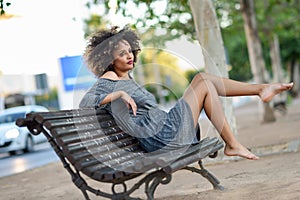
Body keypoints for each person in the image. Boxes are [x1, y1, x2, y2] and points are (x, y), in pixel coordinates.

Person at [79, 25, 293, 160]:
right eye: (121, 53)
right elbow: (86, 103)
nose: (129, 56)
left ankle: (236, 138)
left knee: (205, 84)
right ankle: (254, 103)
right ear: (108, 59)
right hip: (161, 138)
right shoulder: (110, 79)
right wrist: (117, 95)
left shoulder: (127, 78)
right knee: (201, 80)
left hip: (166, 131)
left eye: (130, 51)